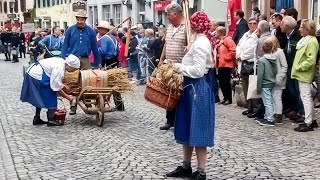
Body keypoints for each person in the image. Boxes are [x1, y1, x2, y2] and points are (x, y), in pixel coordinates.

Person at [166, 11, 215, 180]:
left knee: (199, 128)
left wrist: (178, 67)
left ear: (194, 25)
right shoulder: (198, 41)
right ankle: (186, 166)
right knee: (186, 126)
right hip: (189, 88)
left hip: (198, 89)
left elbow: (198, 70)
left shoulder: (202, 43)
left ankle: (201, 171)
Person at [20, 54, 80, 126]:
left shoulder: (61, 62)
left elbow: (55, 80)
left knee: (40, 96)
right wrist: (68, 97)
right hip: (37, 75)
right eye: (74, 69)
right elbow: (55, 87)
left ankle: (37, 118)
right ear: (70, 66)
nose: (73, 71)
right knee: (50, 94)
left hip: (34, 72)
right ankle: (51, 119)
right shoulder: (59, 68)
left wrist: (62, 85)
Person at [159, 3, 188, 131]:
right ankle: (170, 120)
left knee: (180, 95)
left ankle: (180, 121)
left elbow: (189, 46)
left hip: (181, 66)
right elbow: (166, 44)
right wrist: (161, 59)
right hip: (168, 65)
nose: (167, 17)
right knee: (169, 93)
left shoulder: (187, 27)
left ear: (176, 14)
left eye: (169, 15)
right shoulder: (170, 27)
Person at [292, 19, 319, 132]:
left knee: (306, 97)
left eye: (302, 27)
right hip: (301, 73)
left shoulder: (312, 41)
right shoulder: (305, 39)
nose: (299, 29)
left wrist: (299, 67)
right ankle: (311, 120)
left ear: (307, 29)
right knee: (306, 97)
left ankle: (308, 122)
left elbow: (310, 60)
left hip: (304, 73)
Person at [96, 21, 124, 111]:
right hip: (115, 60)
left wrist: (96, 49)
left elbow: (103, 51)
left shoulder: (104, 38)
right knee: (114, 83)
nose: (98, 30)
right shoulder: (114, 38)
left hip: (108, 61)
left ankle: (103, 101)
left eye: (100, 29)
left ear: (104, 30)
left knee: (106, 82)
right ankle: (119, 105)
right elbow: (118, 51)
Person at [280, 16, 303, 121]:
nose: (280, 25)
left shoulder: (297, 35)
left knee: (297, 91)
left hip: (296, 67)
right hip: (289, 66)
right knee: (291, 90)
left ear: (286, 26)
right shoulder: (287, 34)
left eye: (282, 24)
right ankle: (295, 109)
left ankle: (300, 112)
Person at [236, 17, 259, 117]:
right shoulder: (245, 35)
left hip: (251, 63)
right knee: (245, 87)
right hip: (243, 64)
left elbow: (252, 50)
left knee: (252, 87)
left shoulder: (257, 36)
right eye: (250, 23)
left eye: (254, 23)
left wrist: (241, 56)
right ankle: (249, 107)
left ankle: (255, 108)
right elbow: (239, 46)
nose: (252, 25)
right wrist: (238, 54)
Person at [256, 40, 278, 127]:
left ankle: (270, 119)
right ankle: (267, 116)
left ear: (262, 49)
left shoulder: (262, 60)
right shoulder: (274, 59)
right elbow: (275, 71)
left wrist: (258, 87)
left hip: (265, 83)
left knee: (267, 102)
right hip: (272, 82)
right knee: (270, 100)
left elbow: (260, 75)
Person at [268, 36, 288, 124]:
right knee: (272, 97)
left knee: (277, 97)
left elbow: (284, 65)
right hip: (271, 78)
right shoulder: (270, 52)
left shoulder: (279, 52)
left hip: (278, 78)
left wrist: (280, 77)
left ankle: (278, 114)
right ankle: (274, 113)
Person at [215, 26, 236, 105]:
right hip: (221, 64)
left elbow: (233, 51)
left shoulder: (227, 40)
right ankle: (225, 97)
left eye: (216, 32)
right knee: (222, 82)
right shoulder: (221, 41)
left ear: (220, 33)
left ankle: (229, 99)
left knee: (226, 82)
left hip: (226, 65)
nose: (215, 34)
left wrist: (225, 57)